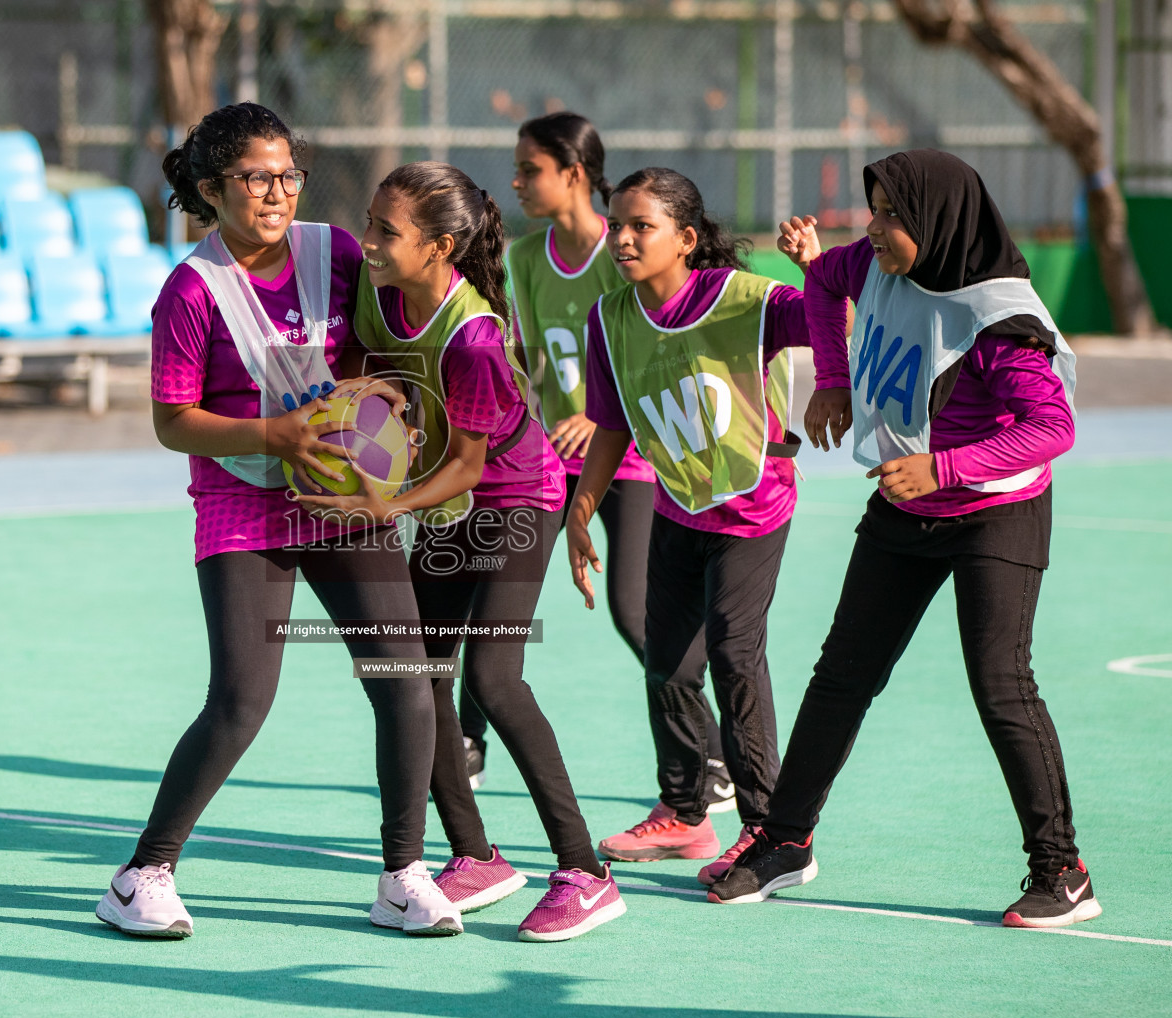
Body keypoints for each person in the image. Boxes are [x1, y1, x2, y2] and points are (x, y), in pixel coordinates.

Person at [707, 150, 1099, 931]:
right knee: (842, 675)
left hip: (994, 508)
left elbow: (1052, 427)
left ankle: (1063, 871)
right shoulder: (874, 264)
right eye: (875, 209)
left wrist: (945, 465)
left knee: (1001, 685)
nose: (875, 229)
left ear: (938, 221)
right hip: (906, 500)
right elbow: (822, 281)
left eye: (893, 215)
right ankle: (785, 840)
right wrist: (832, 379)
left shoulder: (1001, 320)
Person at [95, 103, 458, 942]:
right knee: (241, 701)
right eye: (257, 177)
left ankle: (404, 873)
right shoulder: (190, 290)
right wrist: (275, 436)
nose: (278, 191)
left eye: (288, 173)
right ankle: (141, 873)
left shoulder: (336, 250)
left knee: (407, 682)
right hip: (242, 498)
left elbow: (375, 341)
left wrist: (384, 396)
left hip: (338, 493)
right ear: (215, 187)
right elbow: (172, 421)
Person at [297, 161, 626, 943]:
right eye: (371, 222)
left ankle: (585, 871)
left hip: (514, 497)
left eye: (386, 230)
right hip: (447, 501)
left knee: (493, 676)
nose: (367, 241)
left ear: (440, 246)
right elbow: (360, 379)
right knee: (412, 670)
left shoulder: (474, 336)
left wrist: (382, 501)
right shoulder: (378, 297)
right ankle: (474, 855)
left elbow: (471, 464)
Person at [568, 167, 811, 884]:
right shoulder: (610, 318)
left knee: (736, 656)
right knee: (667, 661)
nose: (622, 238)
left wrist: (815, 271)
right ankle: (686, 813)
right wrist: (581, 512)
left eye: (641, 225)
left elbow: (839, 323)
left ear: (686, 238)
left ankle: (770, 830)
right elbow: (610, 426)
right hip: (678, 503)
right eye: (616, 224)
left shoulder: (742, 300)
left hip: (753, 504)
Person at [498, 110, 735, 810]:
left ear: (574, 175)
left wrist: (595, 414)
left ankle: (712, 757)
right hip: (546, 461)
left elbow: (659, 355)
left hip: (624, 453)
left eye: (530, 169)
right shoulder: (525, 258)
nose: (516, 182)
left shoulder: (629, 250)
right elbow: (530, 358)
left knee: (635, 612)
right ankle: (467, 744)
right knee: (491, 597)